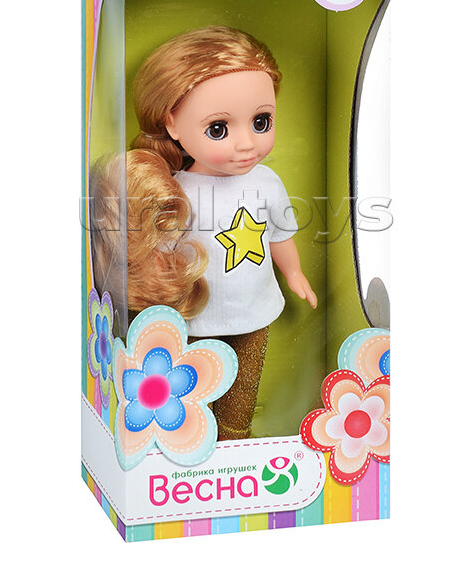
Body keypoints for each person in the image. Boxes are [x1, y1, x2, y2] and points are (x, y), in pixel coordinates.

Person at [91, 26, 316, 440]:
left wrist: (295, 273)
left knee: (243, 391)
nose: (246, 144)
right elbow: (157, 254)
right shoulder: (172, 192)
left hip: (256, 308)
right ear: (172, 123)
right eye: (219, 129)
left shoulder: (267, 183)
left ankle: (237, 443)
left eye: (261, 121)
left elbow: (279, 234)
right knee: (193, 390)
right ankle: (194, 447)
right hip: (195, 314)